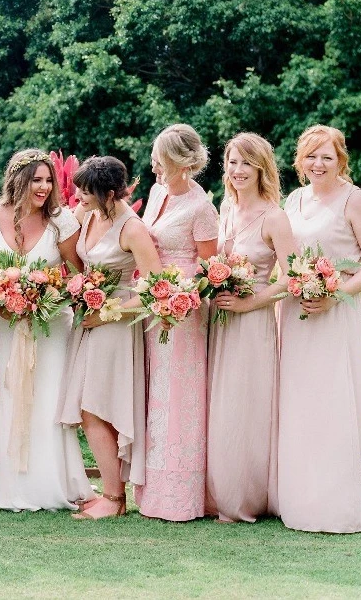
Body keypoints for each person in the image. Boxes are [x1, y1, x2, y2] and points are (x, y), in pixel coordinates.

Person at [278, 124, 361, 533]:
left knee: (330, 403)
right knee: (297, 404)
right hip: (294, 313)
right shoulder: (294, 199)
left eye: (327, 156)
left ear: (341, 159)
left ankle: (333, 506)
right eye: (311, 155)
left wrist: (335, 293)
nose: (318, 163)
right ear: (300, 161)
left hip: (335, 313)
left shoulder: (355, 200)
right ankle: (296, 500)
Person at [0, 149, 94, 511]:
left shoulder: (62, 221)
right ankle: (12, 490)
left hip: (51, 325)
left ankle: (53, 485)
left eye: (47, 180)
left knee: (48, 400)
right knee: (12, 396)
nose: (43, 187)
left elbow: (78, 273)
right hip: (8, 326)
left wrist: (49, 295)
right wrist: (1, 292)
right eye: (35, 180)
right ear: (17, 181)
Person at [58, 156, 163, 520]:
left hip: (116, 322)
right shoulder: (86, 215)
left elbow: (155, 288)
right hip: (89, 318)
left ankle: (114, 499)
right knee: (89, 407)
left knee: (95, 407)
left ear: (112, 193)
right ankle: (111, 493)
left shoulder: (132, 228)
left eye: (86, 192)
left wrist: (107, 314)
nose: (78, 196)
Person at [206, 133, 294, 523]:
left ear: (261, 168)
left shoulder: (274, 217)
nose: (237, 170)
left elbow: (290, 279)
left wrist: (249, 303)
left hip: (252, 322)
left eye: (245, 163)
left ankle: (246, 497)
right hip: (221, 322)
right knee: (221, 405)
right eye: (231, 162)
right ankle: (218, 489)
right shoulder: (225, 208)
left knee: (246, 405)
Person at [135, 124, 218, 521]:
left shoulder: (202, 208)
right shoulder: (156, 192)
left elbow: (207, 267)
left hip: (183, 309)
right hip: (152, 302)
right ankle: (152, 488)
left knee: (179, 396)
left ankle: (181, 494)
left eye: (159, 156)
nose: (153, 162)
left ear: (179, 161)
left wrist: (176, 293)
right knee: (155, 392)